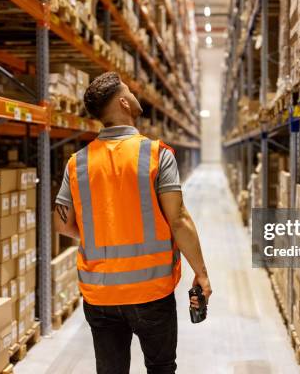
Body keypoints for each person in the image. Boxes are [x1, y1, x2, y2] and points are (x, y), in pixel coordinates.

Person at [53, 71, 212, 374]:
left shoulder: (77, 163)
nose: (136, 93)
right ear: (124, 103)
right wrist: (201, 273)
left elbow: (62, 224)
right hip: (150, 292)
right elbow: (178, 220)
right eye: (130, 89)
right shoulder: (156, 154)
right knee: (160, 367)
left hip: (99, 294)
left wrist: (96, 236)